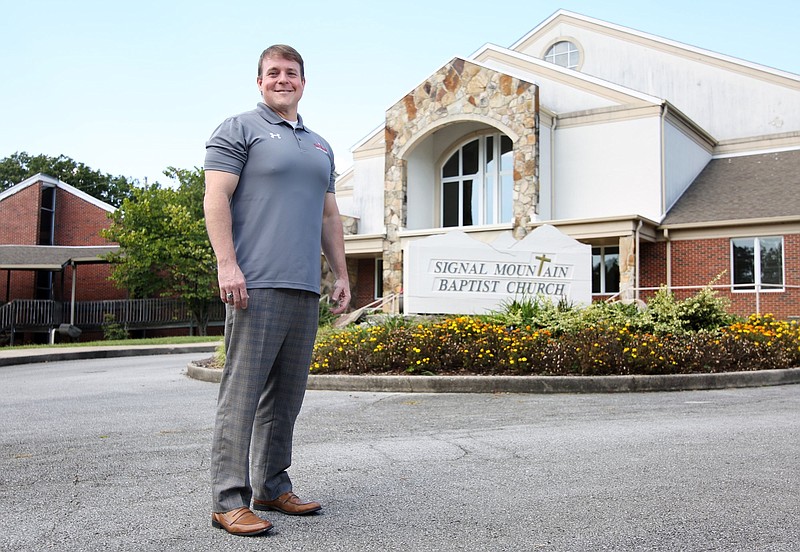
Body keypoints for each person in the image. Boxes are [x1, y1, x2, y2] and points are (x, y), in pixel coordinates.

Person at [203, 44, 351, 537]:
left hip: (305, 286)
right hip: (255, 283)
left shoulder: (320, 145)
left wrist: (342, 274)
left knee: (286, 398)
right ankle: (229, 500)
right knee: (241, 396)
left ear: (303, 82)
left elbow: (330, 216)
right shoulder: (239, 129)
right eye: (273, 72)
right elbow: (215, 197)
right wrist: (228, 265)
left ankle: (271, 484)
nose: (282, 79)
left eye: (291, 73)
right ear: (260, 81)